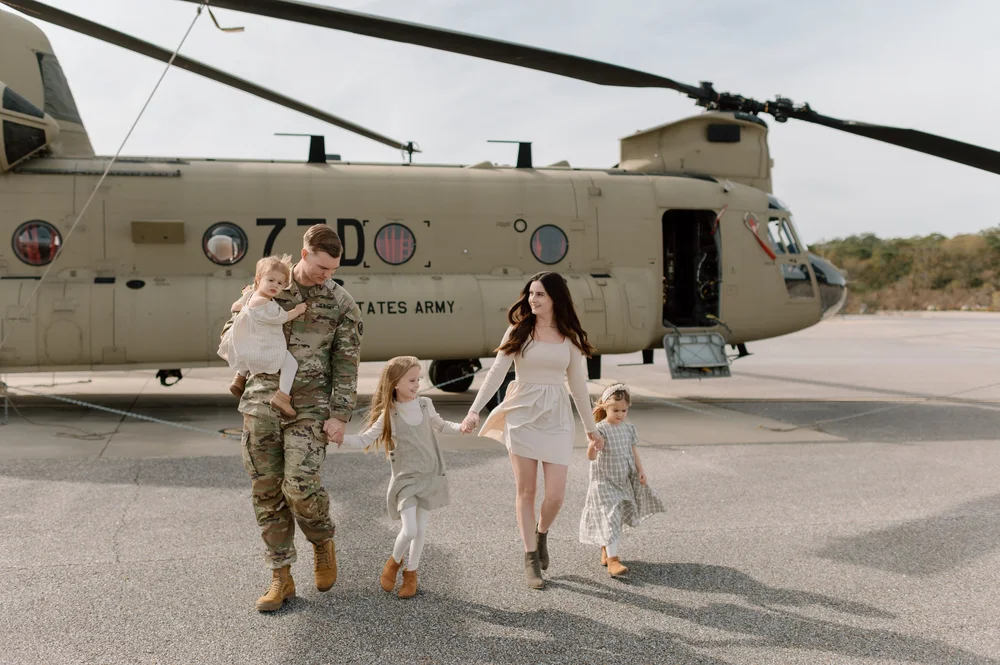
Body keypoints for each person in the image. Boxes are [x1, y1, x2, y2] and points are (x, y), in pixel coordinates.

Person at [219, 224, 364, 612]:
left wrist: (340, 415)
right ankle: (280, 576)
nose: (326, 276)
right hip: (261, 400)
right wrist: (243, 314)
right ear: (304, 254)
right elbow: (233, 331)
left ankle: (322, 541)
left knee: (299, 485)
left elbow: (347, 364)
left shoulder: (341, 303)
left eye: (333, 270)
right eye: (321, 268)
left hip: (311, 404)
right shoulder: (271, 285)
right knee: (266, 490)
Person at [461, 271, 603, 589]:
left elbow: (579, 388)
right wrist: (473, 412)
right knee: (526, 491)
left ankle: (541, 534)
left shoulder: (570, 338)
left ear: (555, 298)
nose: (532, 299)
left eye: (539, 294)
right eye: (530, 294)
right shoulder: (519, 331)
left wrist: (590, 428)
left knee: (555, 495)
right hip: (522, 414)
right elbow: (496, 373)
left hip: (556, 417)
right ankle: (530, 559)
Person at [340, 356, 461, 599]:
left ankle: (411, 573)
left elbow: (441, 425)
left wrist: (463, 426)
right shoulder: (390, 414)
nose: (417, 385)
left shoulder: (425, 405)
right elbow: (364, 439)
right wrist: (338, 438)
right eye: (412, 380)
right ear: (395, 383)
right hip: (406, 481)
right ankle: (394, 563)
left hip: (429, 477)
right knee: (410, 530)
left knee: (421, 530)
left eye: (418, 380)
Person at [579, 383, 665, 577]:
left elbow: (633, 451)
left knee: (614, 519)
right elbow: (591, 458)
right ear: (604, 407)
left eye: (623, 410)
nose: (620, 414)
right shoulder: (599, 429)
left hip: (623, 480)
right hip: (603, 482)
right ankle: (613, 561)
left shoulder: (628, 429)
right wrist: (593, 446)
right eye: (615, 410)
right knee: (611, 516)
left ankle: (606, 548)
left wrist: (641, 471)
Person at [218, 254, 306, 418]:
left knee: (247, 348)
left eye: (280, 283)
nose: (275, 285)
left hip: (250, 343)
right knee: (290, 365)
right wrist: (297, 311)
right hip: (265, 345)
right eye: (271, 280)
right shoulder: (264, 303)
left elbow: (240, 303)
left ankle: (239, 377)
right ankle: (282, 398)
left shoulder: (252, 295)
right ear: (258, 279)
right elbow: (282, 317)